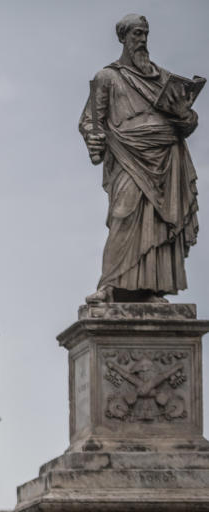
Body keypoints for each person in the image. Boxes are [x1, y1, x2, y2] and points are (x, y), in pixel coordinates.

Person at [79, 14, 200, 304]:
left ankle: (152, 289)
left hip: (166, 158)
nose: (142, 39)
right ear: (123, 37)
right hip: (128, 156)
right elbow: (89, 119)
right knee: (124, 214)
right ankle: (109, 285)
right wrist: (93, 137)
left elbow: (189, 123)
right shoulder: (107, 77)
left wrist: (183, 113)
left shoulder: (164, 79)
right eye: (136, 34)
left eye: (145, 33)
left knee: (158, 222)